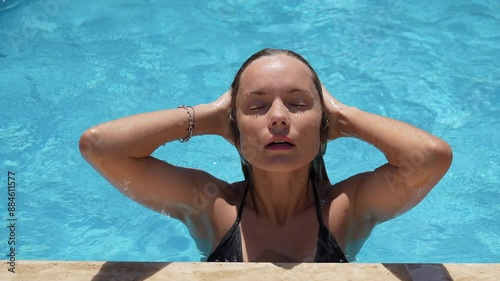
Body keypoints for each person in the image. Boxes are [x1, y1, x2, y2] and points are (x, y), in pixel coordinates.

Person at [79, 48, 452, 262]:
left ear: (323, 121)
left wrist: (341, 117)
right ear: (234, 126)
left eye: (298, 104)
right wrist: (208, 116)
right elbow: (99, 146)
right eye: (256, 107)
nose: (277, 117)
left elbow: (432, 157)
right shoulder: (211, 207)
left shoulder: (346, 208)